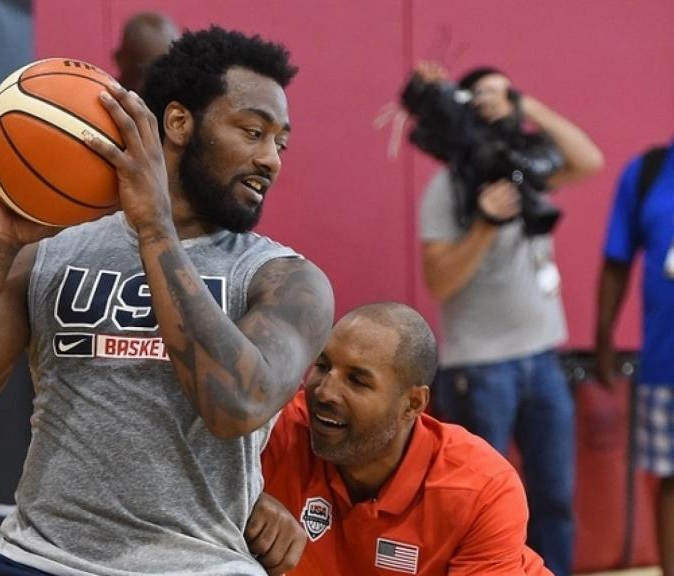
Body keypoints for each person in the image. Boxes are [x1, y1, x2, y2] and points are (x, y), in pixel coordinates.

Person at [0, 26, 334, 576]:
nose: (271, 159)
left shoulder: (286, 280)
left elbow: (236, 408)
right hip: (39, 562)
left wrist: (154, 227)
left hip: (198, 565)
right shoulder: (50, 254)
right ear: (179, 123)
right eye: (253, 131)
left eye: (281, 143)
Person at [414, 62, 603, 576]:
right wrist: (485, 223)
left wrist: (527, 104)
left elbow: (590, 159)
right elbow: (439, 282)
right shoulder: (446, 189)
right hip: (480, 367)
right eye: (485, 98)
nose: (496, 106)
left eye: (504, 97)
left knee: (554, 498)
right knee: (480, 501)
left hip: (543, 358)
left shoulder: (526, 167)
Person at [253, 302, 551, 575]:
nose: (324, 392)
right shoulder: (275, 431)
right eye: (323, 366)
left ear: (413, 404)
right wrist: (249, 499)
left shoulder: (479, 489)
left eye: (357, 380)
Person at [596, 143, 674, 575]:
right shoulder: (649, 171)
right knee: (671, 480)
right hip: (667, 360)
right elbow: (616, 260)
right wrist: (603, 333)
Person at [113, 11, 179, 93]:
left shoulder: (179, 99)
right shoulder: (102, 100)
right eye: (146, 71)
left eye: (166, 71)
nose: (156, 80)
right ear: (121, 60)